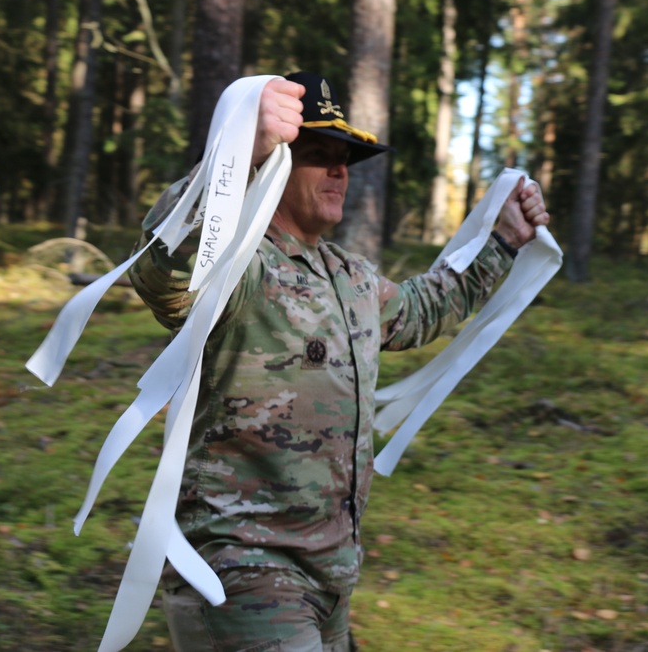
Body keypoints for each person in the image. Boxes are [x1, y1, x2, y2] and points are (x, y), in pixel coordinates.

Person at [127, 72, 549, 652]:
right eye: (318, 155)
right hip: (241, 571)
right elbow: (162, 271)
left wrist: (502, 240)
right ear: (271, 166)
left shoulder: (348, 276)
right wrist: (231, 159)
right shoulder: (240, 267)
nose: (339, 170)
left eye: (345, 158)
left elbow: (424, 309)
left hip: (329, 581)